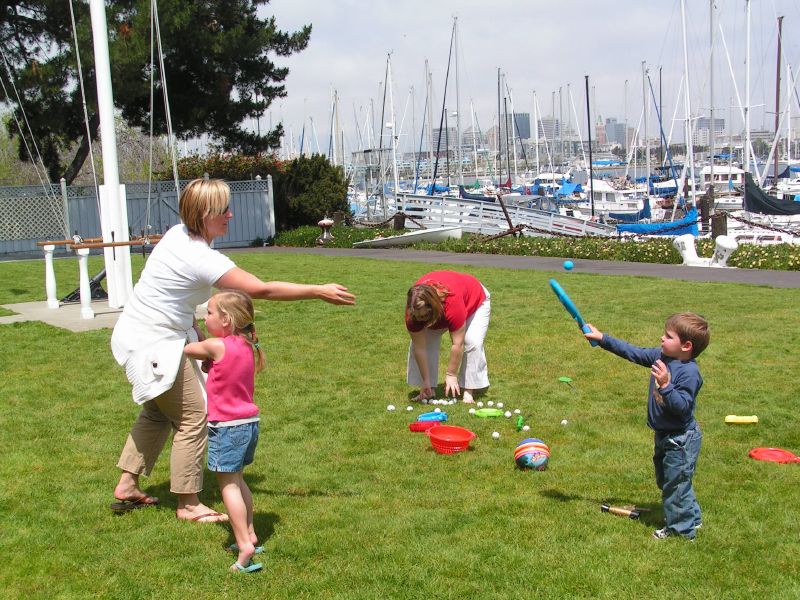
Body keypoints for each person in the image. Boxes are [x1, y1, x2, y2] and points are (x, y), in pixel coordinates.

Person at [110, 178, 355, 523]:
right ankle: (189, 502)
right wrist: (317, 290)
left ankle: (127, 484)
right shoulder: (198, 256)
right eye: (223, 210)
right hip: (154, 343)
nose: (230, 214)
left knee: (158, 412)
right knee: (193, 417)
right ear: (205, 214)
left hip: (140, 335)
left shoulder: (176, 235)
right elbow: (261, 289)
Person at [583, 312, 710, 541]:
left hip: (680, 439)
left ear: (686, 346)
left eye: (668, 336)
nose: (662, 338)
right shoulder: (662, 357)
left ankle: (681, 531)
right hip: (664, 435)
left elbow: (682, 408)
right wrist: (603, 338)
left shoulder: (689, 373)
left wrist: (666, 386)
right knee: (670, 481)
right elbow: (635, 352)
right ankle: (693, 517)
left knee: (676, 484)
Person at [184, 290, 265, 573]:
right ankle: (252, 532)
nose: (205, 318)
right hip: (249, 424)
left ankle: (244, 545)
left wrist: (190, 332)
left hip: (226, 428)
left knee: (228, 486)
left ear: (226, 320)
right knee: (239, 481)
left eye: (209, 313)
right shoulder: (245, 345)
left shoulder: (218, 346)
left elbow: (189, 350)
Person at [405, 270, 490, 403]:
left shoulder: (452, 304)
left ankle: (469, 390)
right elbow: (420, 348)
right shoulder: (412, 313)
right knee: (424, 342)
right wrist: (426, 381)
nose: (421, 320)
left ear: (433, 307)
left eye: (424, 316)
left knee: (472, 341)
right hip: (442, 311)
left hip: (474, 300)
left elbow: (457, 343)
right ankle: (428, 388)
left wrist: (451, 374)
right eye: (418, 316)